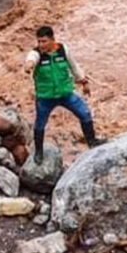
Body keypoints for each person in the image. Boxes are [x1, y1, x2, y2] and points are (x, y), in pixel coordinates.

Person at [24, 25, 105, 164]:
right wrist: (29, 65)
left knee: (85, 113)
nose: (41, 45)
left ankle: (91, 141)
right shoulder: (36, 53)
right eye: (39, 41)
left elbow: (74, 67)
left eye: (44, 41)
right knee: (40, 125)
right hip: (45, 97)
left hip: (65, 94)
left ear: (52, 40)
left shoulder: (63, 50)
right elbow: (31, 59)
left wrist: (83, 82)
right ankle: (38, 152)